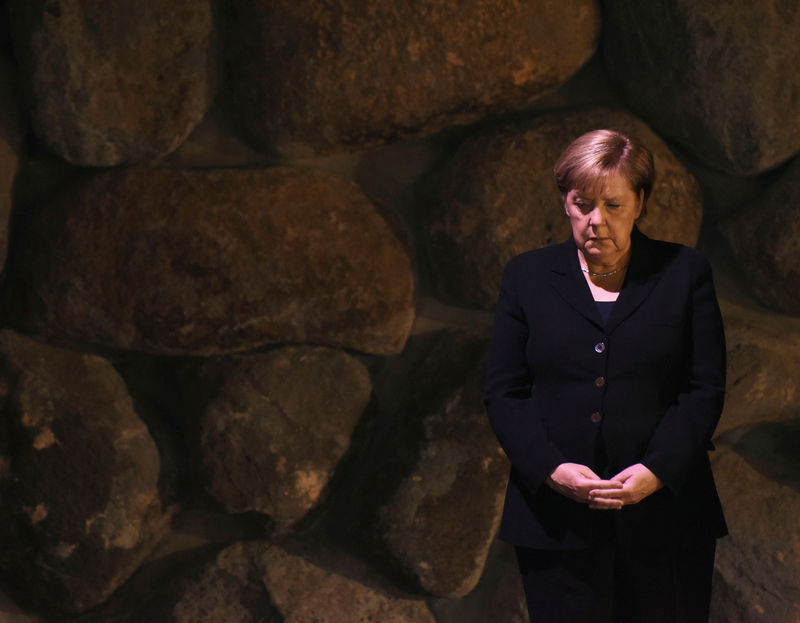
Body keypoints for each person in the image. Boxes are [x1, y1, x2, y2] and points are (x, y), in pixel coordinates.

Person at [484, 129, 727, 623]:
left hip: (666, 518)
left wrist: (655, 471)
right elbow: (505, 393)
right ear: (566, 203)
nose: (596, 221)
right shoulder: (527, 277)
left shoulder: (684, 272)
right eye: (582, 203)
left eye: (613, 204)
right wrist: (552, 470)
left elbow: (703, 388)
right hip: (557, 521)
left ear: (640, 203)